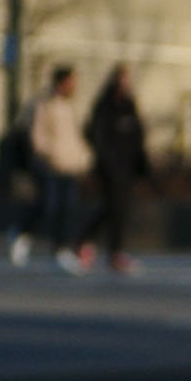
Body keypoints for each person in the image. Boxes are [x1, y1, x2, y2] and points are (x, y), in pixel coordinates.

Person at [73, 59, 147, 272]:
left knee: (120, 208)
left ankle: (114, 251)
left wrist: (140, 163)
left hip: (126, 166)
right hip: (109, 165)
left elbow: (137, 135)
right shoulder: (104, 105)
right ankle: (88, 241)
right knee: (110, 206)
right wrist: (105, 157)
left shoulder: (129, 105)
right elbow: (95, 133)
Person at [12, 66, 86, 268]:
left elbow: (73, 136)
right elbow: (37, 134)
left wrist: (81, 156)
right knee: (47, 205)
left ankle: (61, 248)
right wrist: (48, 153)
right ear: (61, 82)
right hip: (49, 163)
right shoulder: (43, 103)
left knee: (68, 208)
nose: (74, 86)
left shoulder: (69, 106)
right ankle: (22, 233)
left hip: (68, 165)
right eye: (71, 81)